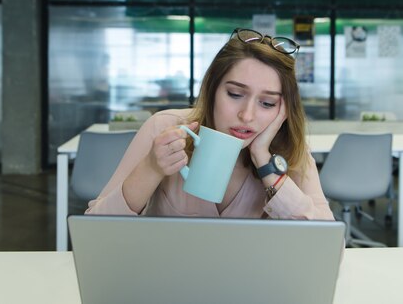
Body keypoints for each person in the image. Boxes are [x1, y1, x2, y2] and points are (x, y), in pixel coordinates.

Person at [85, 28, 334, 220]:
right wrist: (151, 167)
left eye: (267, 103)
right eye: (235, 95)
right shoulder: (165, 128)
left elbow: (327, 248)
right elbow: (96, 233)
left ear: (284, 110)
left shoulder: (290, 151)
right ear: (212, 90)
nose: (247, 116)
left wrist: (264, 162)